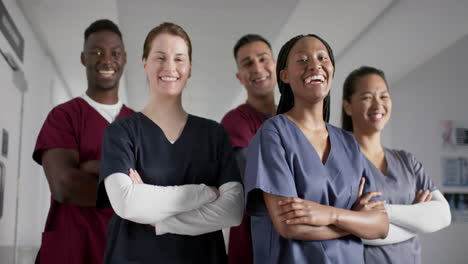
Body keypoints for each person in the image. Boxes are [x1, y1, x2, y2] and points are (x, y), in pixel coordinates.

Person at [96, 22, 244, 263]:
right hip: (133, 255)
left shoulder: (214, 134)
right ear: (144, 63)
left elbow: (233, 210)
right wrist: (205, 192)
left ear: (190, 68)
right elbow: (127, 204)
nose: (170, 67)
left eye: (179, 59)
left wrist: (159, 218)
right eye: (160, 57)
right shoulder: (120, 132)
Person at [244, 34, 389, 264]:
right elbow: (289, 225)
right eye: (302, 60)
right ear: (284, 75)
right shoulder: (273, 133)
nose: (314, 64)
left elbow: (381, 225)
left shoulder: (349, 143)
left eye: (322, 57)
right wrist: (356, 223)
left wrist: (331, 214)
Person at [32, 19, 134, 264]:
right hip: (72, 251)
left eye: (115, 53)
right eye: (97, 52)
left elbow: (156, 185)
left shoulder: (138, 124)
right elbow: (64, 185)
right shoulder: (64, 116)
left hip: (124, 251)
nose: (107, 60)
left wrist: (93, 168)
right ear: (83, 58)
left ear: (125, 58)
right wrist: (128, 188)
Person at [341, 66, 451, 264]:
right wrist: (417, 218)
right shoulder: (340, 162)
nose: (377, 104)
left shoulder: (407, 161)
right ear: (348, 106)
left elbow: (443, 215)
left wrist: (383, 212)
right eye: (367, 97)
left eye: (384, 96)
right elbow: (356, 233)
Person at [221, 34, 276, 264]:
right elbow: (255, 183)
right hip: (254, 243)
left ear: (276, 66)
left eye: (263, 59)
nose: (257, 67)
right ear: (239, 77)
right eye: (247, 63)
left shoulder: (296, 119)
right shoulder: (236, 121)